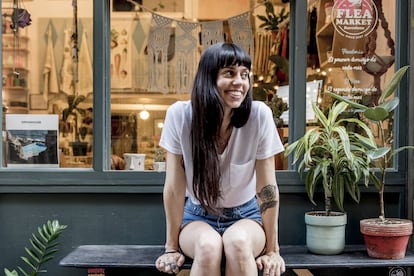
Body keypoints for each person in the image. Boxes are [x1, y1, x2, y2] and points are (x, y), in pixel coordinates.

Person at [155, 42, 286, 276]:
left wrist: (273, 250)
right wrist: (170, 248)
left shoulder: (259, 116)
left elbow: (267, 187)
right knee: (207, 247)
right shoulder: (180, 116)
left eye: (244, 75)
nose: (239, 82)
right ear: (208, 78)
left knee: (238, 243)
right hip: (197, 215)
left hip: (246, 215)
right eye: (229, 73)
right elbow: (174, 188)